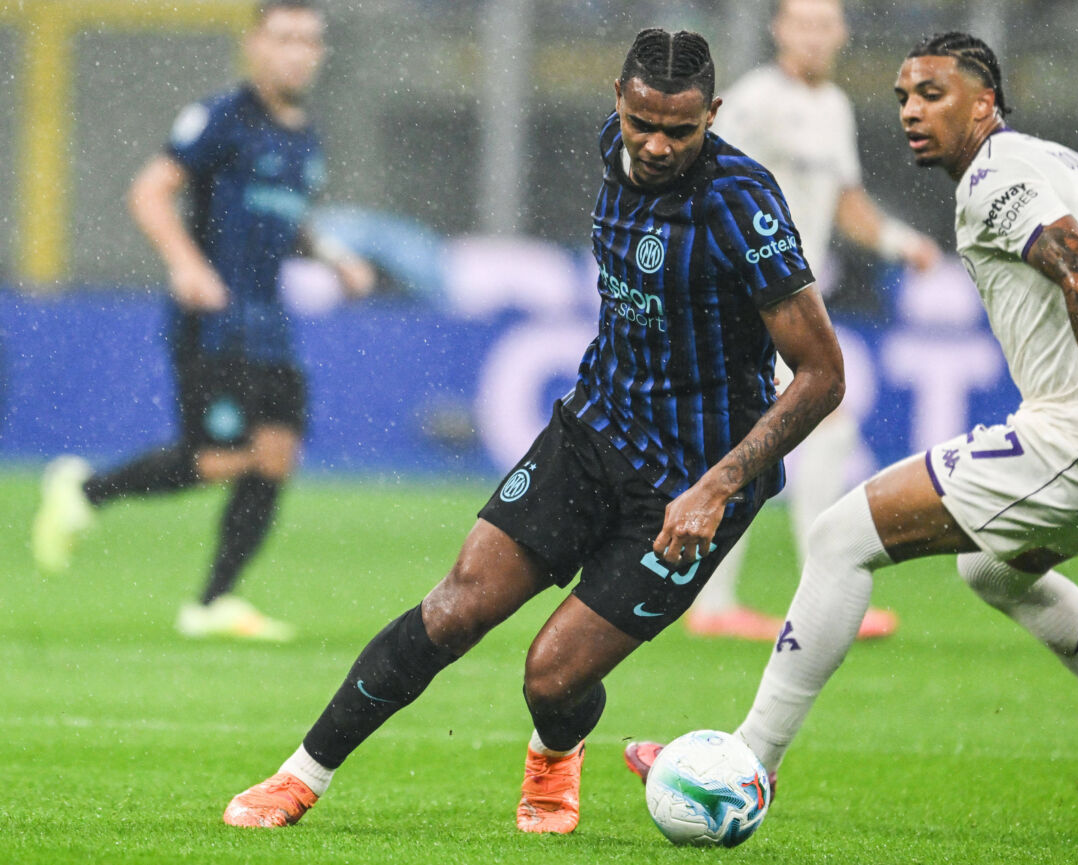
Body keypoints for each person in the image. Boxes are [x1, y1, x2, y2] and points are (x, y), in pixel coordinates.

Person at [220, 28, 845, 835]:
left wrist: (718, 487)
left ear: (713, 116)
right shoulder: (610, 147)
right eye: (640, 123)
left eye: (680, 131)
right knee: (453, 610)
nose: (656, 145)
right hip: (592, 431)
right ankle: (299, 776)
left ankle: (555, 756)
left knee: (551, 677)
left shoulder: (741, 203)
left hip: (691, 483)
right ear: (616, 102)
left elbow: (823, 373)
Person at [626, 31, 1078, 828]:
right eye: (903, 96)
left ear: (986, 102)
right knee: (993, 572)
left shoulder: (994, 177)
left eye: (933, 95)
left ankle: (746, 766)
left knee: (840, 537)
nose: (911, 111)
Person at [31, 0, 373, 641]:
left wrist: (334, 258)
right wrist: (188, 265)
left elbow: (283, 219)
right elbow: (149, 191)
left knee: (274, 454)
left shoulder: (304, 137)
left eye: (308, 40)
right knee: (219, 456)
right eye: (284, 38)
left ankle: (213, 601)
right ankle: (85, 490)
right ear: (255, 46)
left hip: (268, 323)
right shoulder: (223, 118)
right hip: (212, 322)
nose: (297, 51)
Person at [687, 0, 939, 642]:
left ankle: (719, 604)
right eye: (803, 23)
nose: (816, 36)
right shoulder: (754, 101)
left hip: (788, 299)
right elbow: (702, 181)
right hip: (744, 294)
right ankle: (810, 599)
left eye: (826, 24)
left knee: (765, 434)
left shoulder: (834, 108)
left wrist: (896, 241)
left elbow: (845, 201)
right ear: (780, 30)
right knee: (819, 419)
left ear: (842, 34)